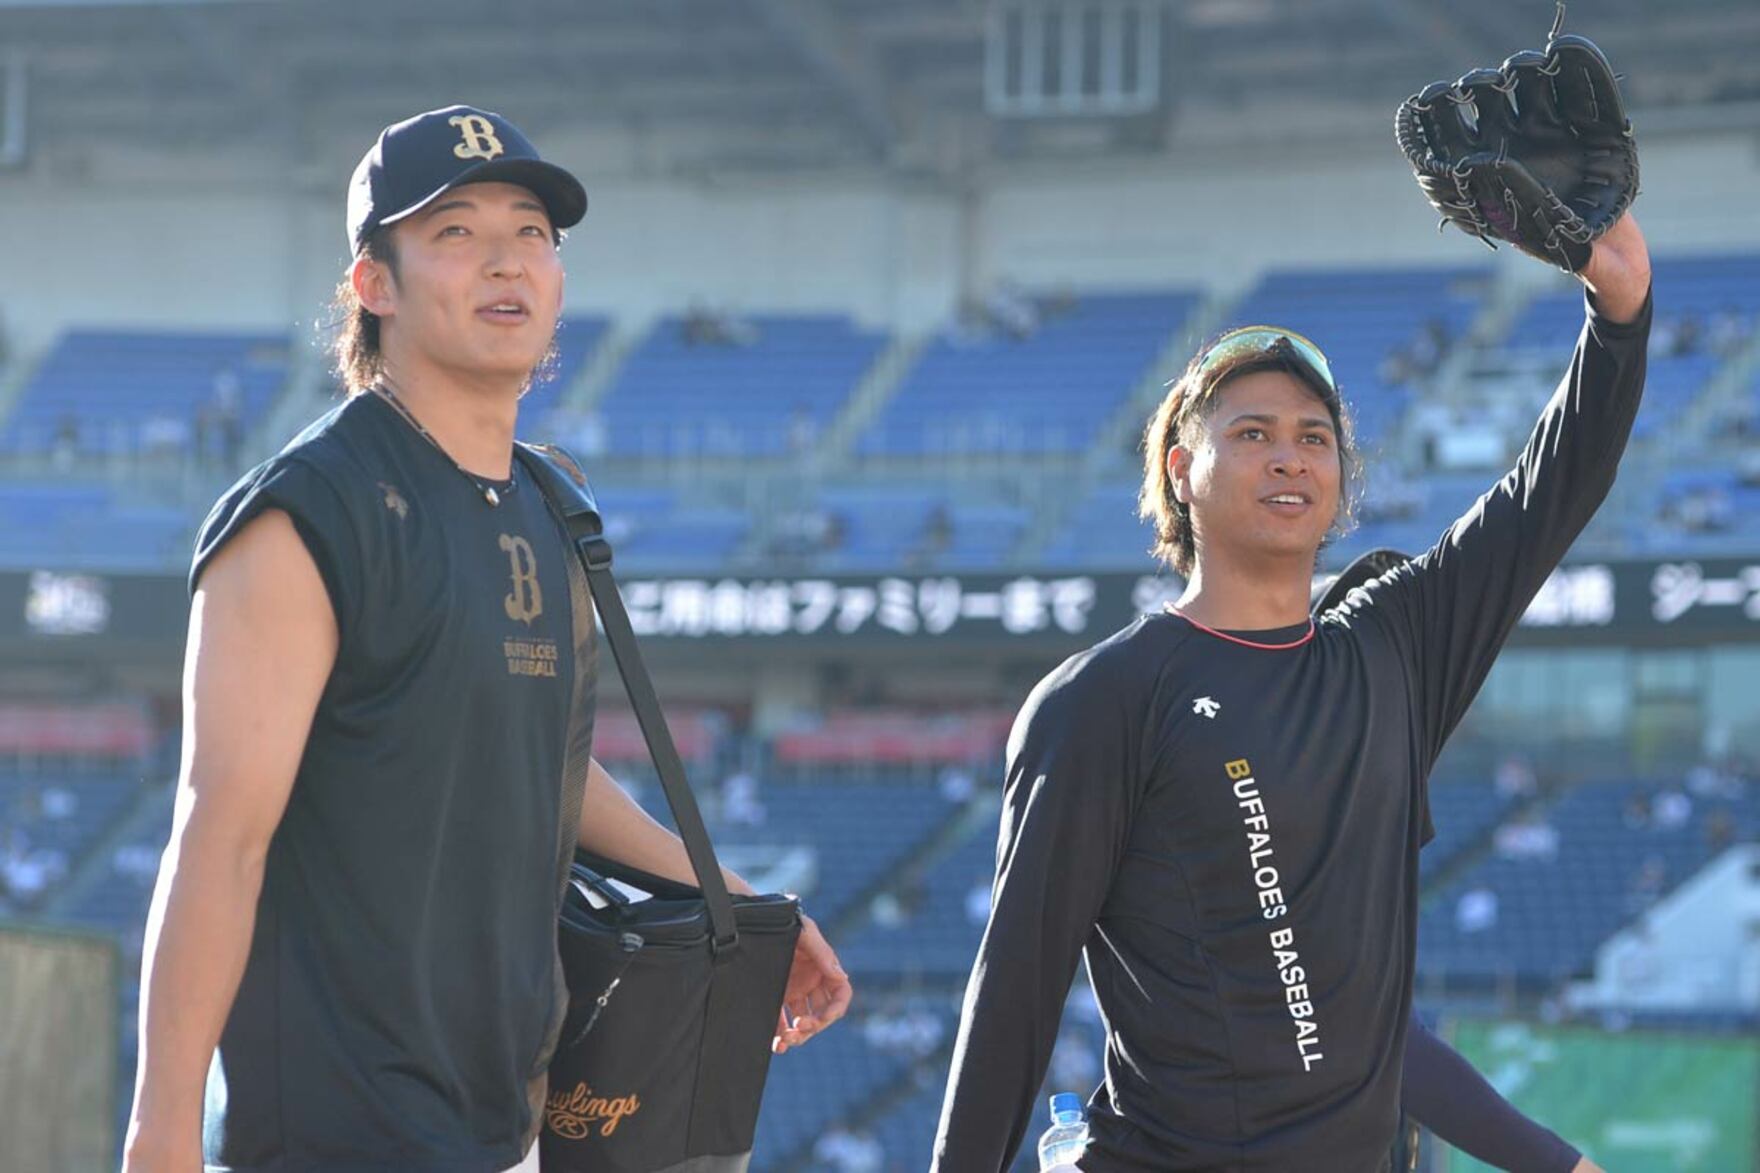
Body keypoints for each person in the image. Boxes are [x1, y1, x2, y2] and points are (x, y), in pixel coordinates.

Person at [121, 105, 850, 1173]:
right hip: (330, 1129)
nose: (504, 262)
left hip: (512, 1119)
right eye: (454, 233)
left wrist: (736, 901)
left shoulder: (552, 502)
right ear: (375, 284)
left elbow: (543, 758)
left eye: (531, 234)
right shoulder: (303, 516)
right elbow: (218, 838)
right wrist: (161, 1133)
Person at [931, 204, 1649, 1171]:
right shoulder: (1105, 699)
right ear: (1184, 469)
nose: (1290, 455)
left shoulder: (1395, 647)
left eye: (1316, 437)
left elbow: (1550, 490)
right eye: (1254, 431)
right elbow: (1014, 993)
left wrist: (1620, 312)